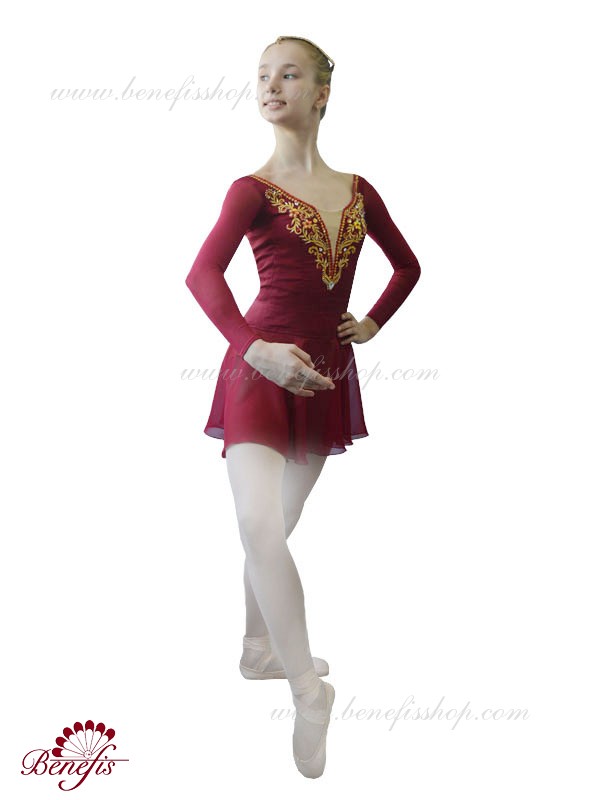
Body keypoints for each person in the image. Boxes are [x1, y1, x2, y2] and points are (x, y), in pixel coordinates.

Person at [184, 35, 421, 778]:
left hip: (324, 377)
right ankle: (308, 692)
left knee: (275, 529)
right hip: (256, 373)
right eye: (262, 74)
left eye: (288, 73)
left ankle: (259, 648)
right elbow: (202, 274)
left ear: (322, 94)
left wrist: (373, 322)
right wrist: (254, 348)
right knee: (259, 525)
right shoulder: (250, 190)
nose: (270, 84)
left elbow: (409, 265)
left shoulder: (359, 190)